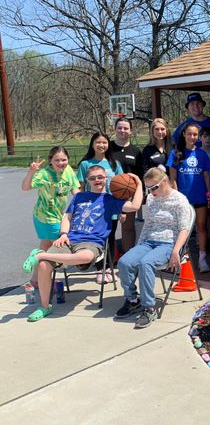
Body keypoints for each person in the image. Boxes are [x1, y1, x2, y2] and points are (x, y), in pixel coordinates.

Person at [22, 166, 143, 322]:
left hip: (92, 242)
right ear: (87, 181)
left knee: (86, 256)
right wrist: (63, 233)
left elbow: (134, 206)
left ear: (106, 177)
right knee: (44, 265)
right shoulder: (79, 197)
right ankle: (45, 307)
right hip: (70, 239)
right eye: (92, 178)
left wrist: (138, 184)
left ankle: (40, 254)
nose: (97, 180)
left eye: (100, 177)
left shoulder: (111, 200)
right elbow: (67, 217)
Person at [115, 167, 193, 329]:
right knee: (125, 261)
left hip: (169, 243)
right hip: (149, 242)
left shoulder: (179, 199)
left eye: (154, 187)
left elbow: (184, 228)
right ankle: (132, 300)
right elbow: (148, 225)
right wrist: (138, 247)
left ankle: (149, 307)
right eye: (148, 188)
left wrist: (176, 251)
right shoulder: (151, 198)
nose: (151, 191)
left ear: (164, 181)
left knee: (146, 263)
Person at [21, 147, 80, 285]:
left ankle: (36, 278)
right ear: (51, 161)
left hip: (58, 215)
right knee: (57, 245)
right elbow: (25, 187)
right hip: (45, 216)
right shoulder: (44, 174)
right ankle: (44, 275)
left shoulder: (69, 171)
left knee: (46, 245)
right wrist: (32, 172)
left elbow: (75, 190)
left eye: (64, 160)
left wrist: (83, 203)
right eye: (57, 160)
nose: (61, 163)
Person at [77, 132, 124, 283]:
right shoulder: (85, 164)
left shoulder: (114, 164)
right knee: (96, 237)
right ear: (92, 144)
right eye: (98, 142)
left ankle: (109, 267)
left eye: (104, 142)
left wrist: (121, 209)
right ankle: (99, 269)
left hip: (110, 205)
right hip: (92, 208)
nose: (101, 145)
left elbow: (122, 187)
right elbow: (80, 188)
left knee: (110, 236)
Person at [167, 122, 210, 273]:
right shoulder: (176, 153)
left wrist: (209, 195)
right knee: (183, 229)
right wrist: (177, 197)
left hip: (200, 197)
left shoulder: (202, 154)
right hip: (183, 199)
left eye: (195, 134)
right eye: (189, 134)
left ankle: (202, 258)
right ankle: (179, 258)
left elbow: (206, 175)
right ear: (184, 134)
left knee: (201, 226)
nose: (192, 137)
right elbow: (172, 179)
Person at [110, 117, 144, 253]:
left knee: (128, 227)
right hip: (110, 193)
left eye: (125, 128)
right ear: (115, 130)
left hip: (128, 194)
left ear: (131, 131)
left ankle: (127, 256)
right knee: (108, 227)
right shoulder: (108, 148)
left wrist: (140, 194)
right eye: (119, 128)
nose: (122, 130)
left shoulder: (135, 151)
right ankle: (109, 259)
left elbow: (140, 175)